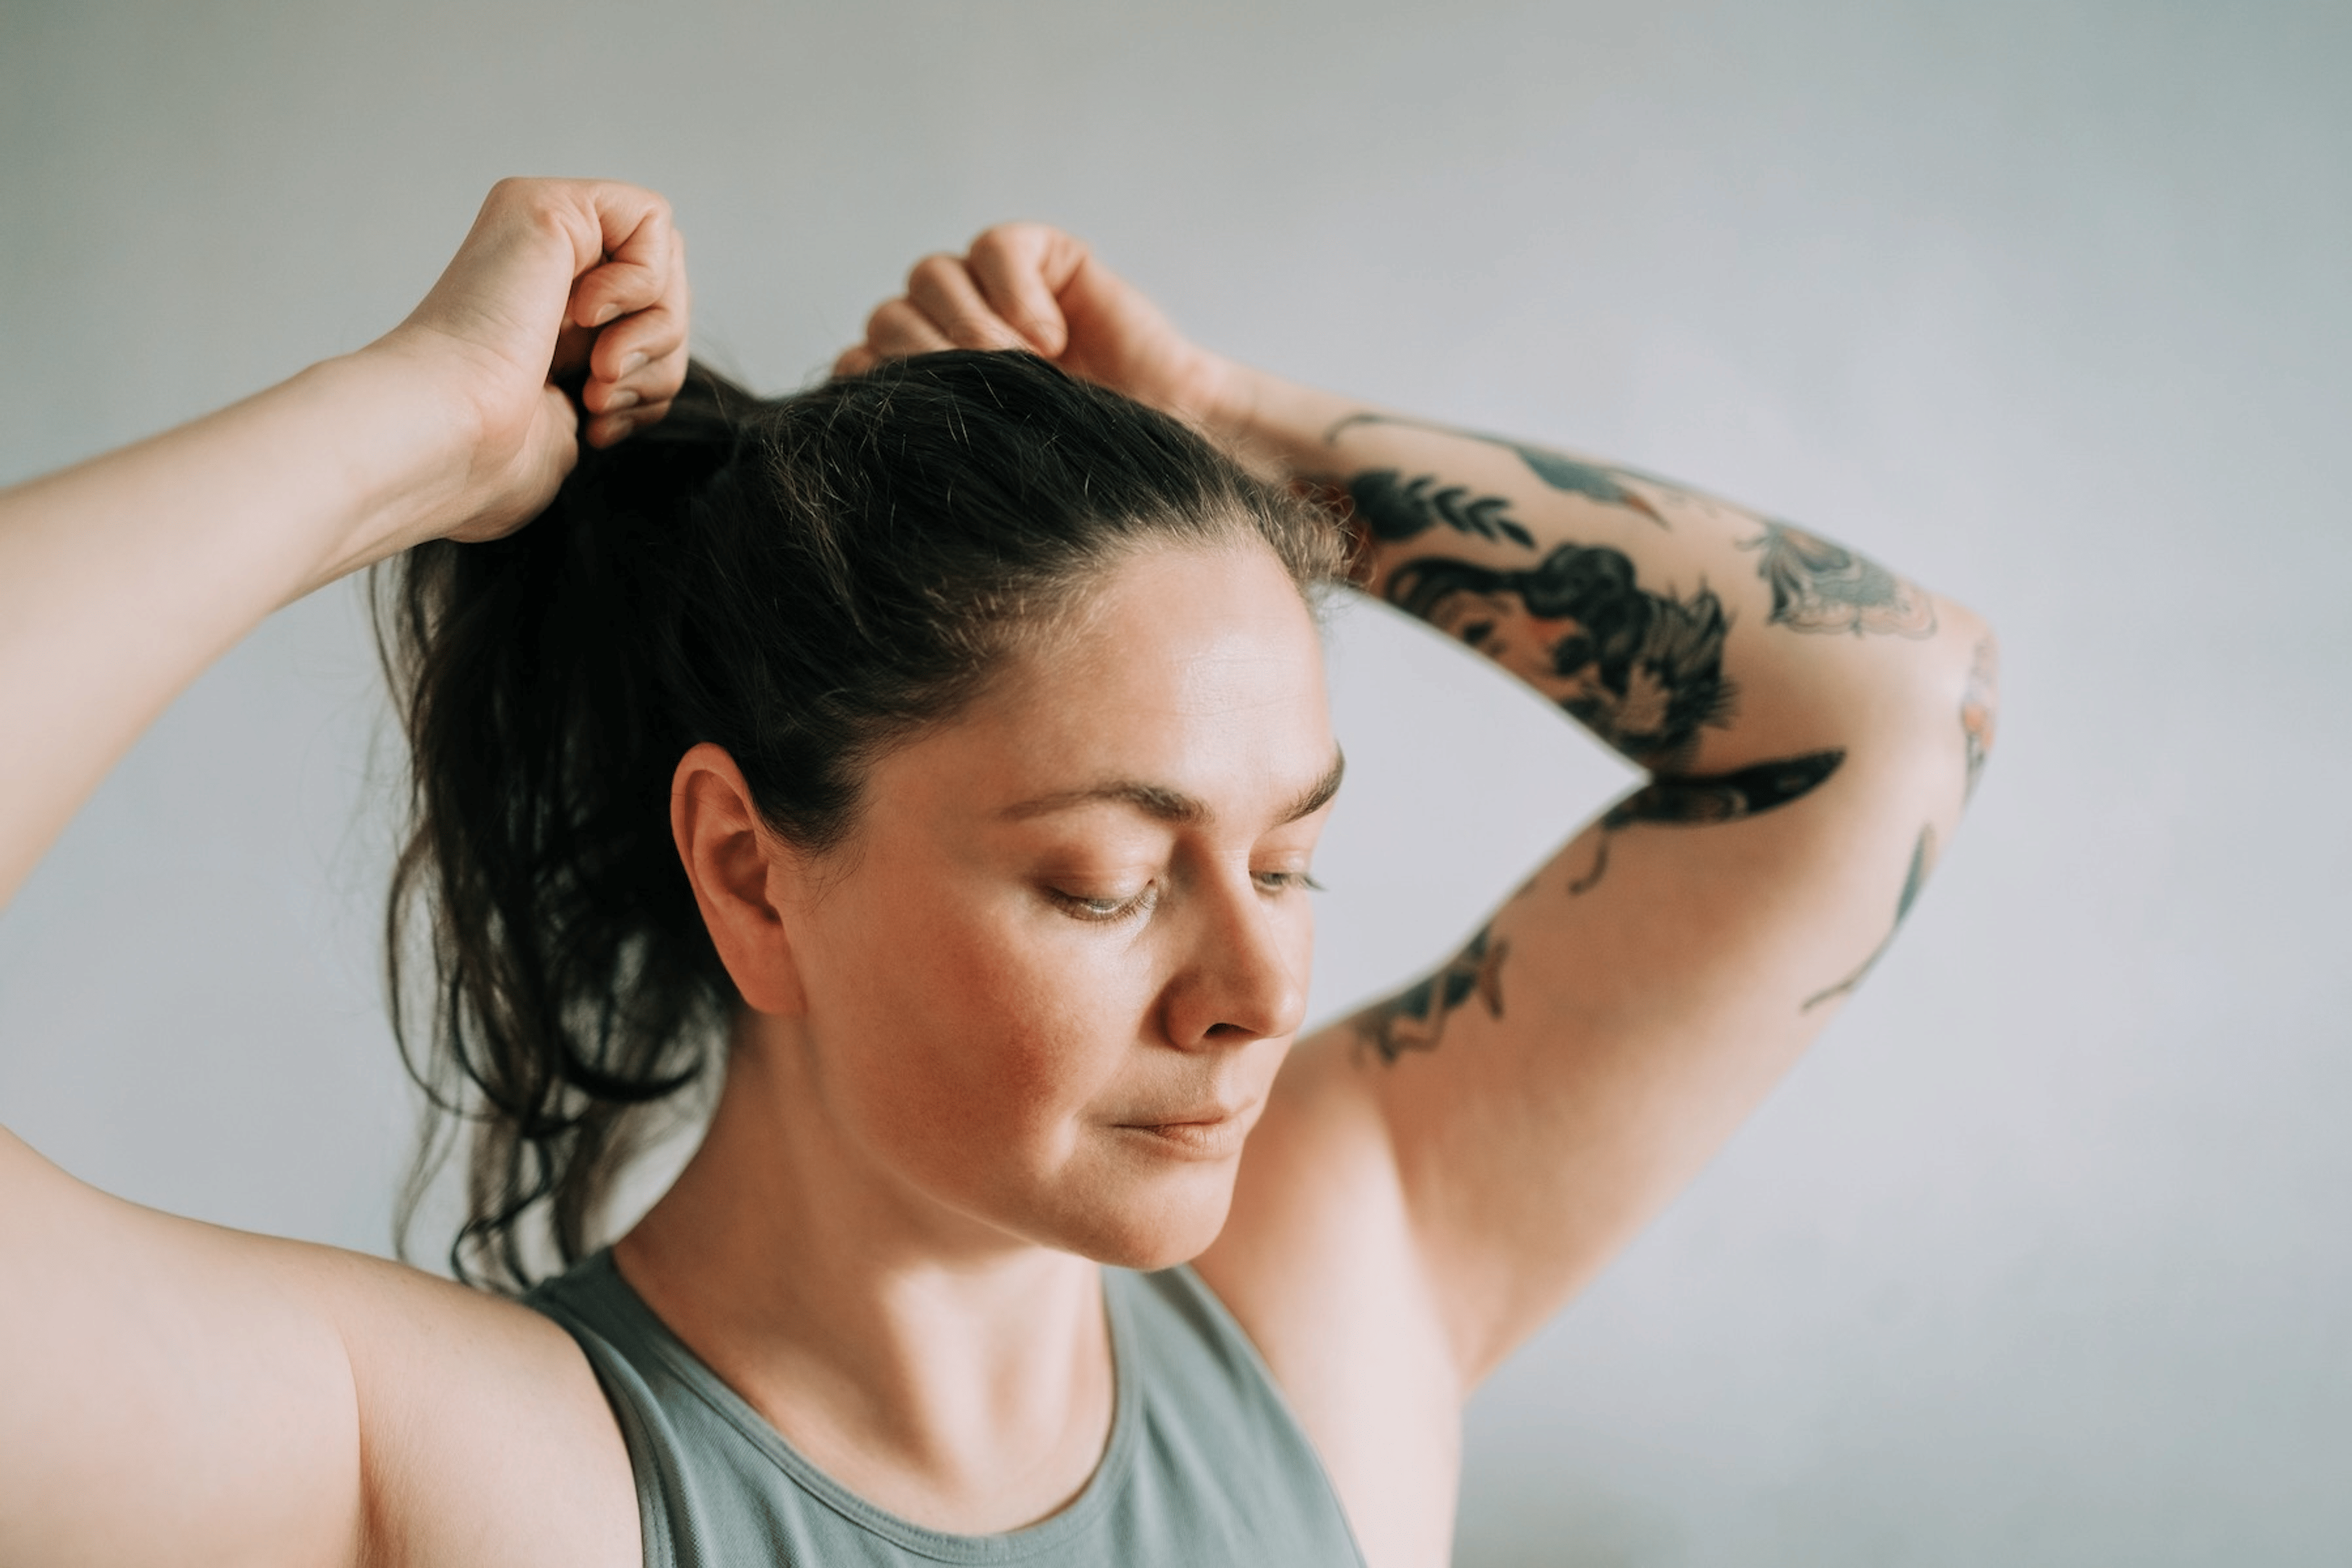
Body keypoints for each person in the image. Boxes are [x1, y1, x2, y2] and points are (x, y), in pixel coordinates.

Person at [0, 178, 1996, 1567]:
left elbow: (1894, 706)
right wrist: (406, 439)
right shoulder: (481, 1487)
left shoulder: (1327, 1302)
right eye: (1112, 884)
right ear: (755, 876)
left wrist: (1231, 442)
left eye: (1292, 856)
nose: (1258, 987)